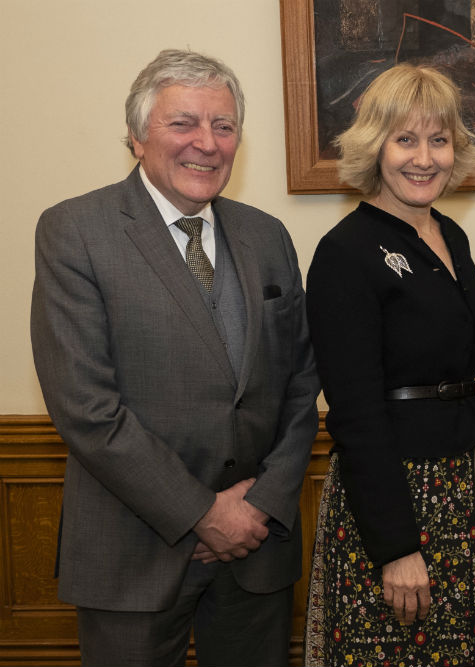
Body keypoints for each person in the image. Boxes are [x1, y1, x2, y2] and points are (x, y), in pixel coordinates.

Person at [29, 49, 320, 666]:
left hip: (257, 552)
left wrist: (257, 508)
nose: (206, 144)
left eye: (224, 125)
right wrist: (202, 514)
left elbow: (300, 383)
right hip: (131, 552)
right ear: (136, 137)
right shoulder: (75, 231)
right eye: (183, 123)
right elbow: (85, 408)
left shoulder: (267, 236)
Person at [303, 63, 475, 667]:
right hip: (393, 503)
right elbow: (355, 412)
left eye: (439, 139)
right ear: (376, 146)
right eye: (406, 139)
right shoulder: (344, 252)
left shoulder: (449, 232)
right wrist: (397, 546)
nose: (424, 158)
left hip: (467, 488)